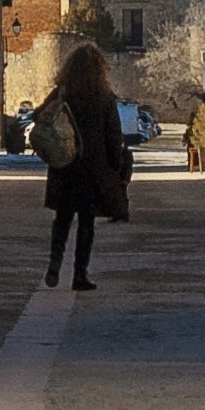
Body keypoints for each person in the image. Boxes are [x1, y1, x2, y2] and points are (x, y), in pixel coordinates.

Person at [42, 42, 132, 290]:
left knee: (62, 219)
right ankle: (80, 275)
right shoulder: (104, 98)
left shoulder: (62, 93)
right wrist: (115, 165)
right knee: (86, 222)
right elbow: (114, 134)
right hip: (93, 167)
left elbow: (39, 117)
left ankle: (54, 265)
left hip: (64, 164)